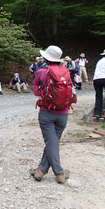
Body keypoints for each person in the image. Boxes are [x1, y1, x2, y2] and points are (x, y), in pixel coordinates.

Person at [31, 45, 70, 184]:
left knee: (51, 142)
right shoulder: (65, 71)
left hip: (47, 112)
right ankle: (41, 170)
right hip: (63, 113)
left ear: (46, 58)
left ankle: (59, 173)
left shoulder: (41, 72)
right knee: (53, 142)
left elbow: (36, 92)